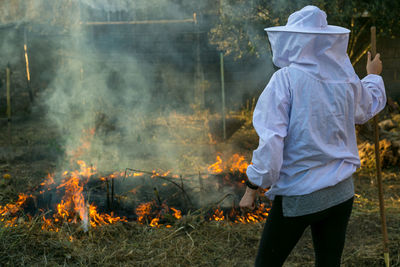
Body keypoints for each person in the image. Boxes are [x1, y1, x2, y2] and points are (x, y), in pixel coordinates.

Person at [239, 5, 385, 267]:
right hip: (341, 194)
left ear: (293, 41)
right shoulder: (346, 77)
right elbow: (365, 108)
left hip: (300, 192)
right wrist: (372, 76)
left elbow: (272, 142)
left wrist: (252, 186)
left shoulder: (285, 80)